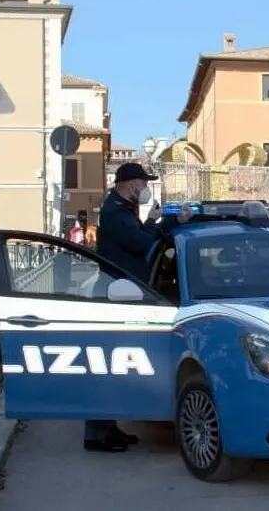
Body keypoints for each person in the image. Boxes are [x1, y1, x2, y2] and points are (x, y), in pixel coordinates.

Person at [84, 162, 192, 453]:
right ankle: (96, 433)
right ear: (132, 184)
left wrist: (161, 222)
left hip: (125, 293)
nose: (145, 190)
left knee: (116, 366)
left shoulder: (121, 209)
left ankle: (109, 428)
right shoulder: (114, 213)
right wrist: (163, 224)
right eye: (143, 184)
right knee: (108, 367)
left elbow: (142, 240)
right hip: (115, 297)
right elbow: (142, 243)